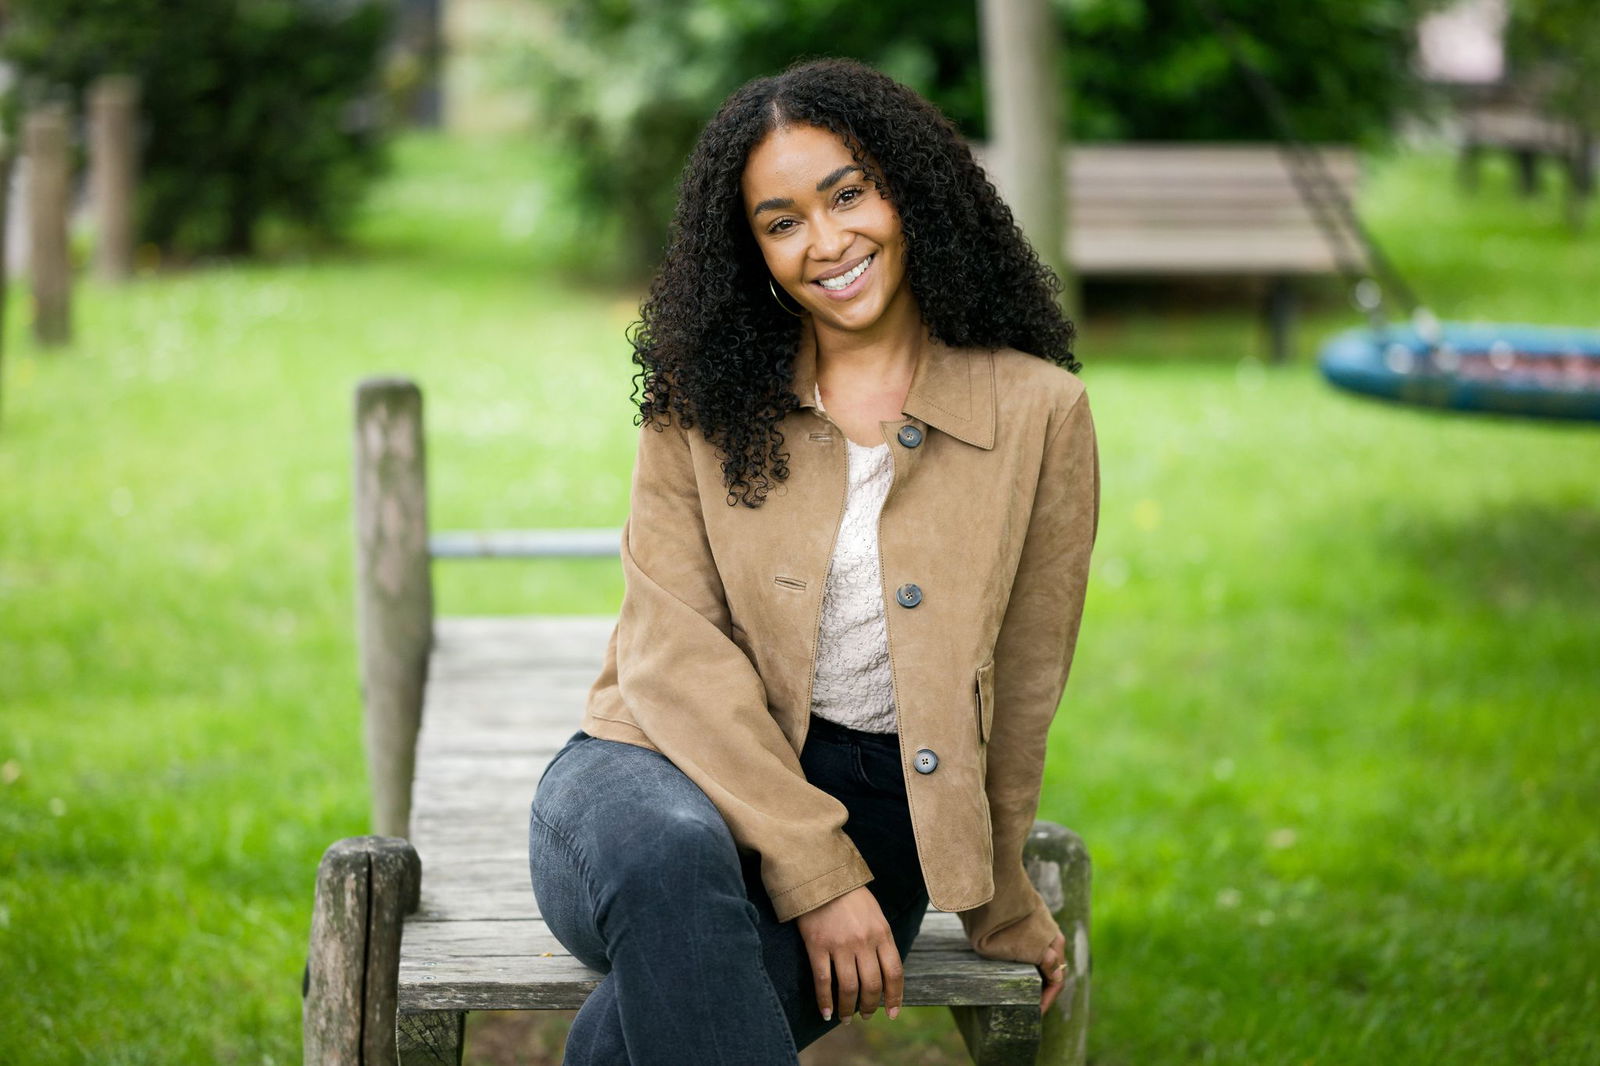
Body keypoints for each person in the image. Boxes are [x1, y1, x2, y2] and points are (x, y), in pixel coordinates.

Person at [528, 56, 1099, 1065]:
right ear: (751, 250)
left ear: (909, 193)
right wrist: (816, 874)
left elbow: (1021, 685)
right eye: (782, 221)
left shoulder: (1039, 412)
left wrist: (1000, 898)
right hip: (651, 772)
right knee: (671, 856)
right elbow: (670, 652)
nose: (827, 243)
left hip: (878, 807)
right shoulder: (702, 401)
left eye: (847, 195)